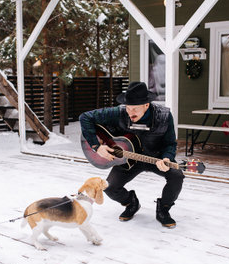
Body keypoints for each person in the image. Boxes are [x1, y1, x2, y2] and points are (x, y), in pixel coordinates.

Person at [79, 82, 184, 228]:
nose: (130, 113)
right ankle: (131, 202)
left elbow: (170, 143)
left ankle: (164, 208)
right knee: (109, 187)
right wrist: (97, 147)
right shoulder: (120, 112)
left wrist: (167, 158)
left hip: (155, 157)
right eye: (128, 108)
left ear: (146, 105)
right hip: (127, 159)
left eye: (134, 109)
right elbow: (85, 117)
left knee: (177, 175)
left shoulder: (164, 116)